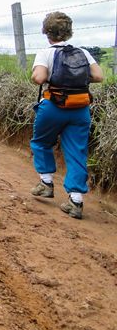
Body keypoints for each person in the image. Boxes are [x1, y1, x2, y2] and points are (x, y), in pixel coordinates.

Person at [30, 11, 103, 219]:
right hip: (80, 108)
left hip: (53, 106)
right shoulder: (83, 52)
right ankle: (76, 201)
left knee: (41, 143)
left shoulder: (45, 52)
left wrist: (37, 75)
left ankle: (46, 183)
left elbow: (40, 77)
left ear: (47, 32)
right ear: (69, 32)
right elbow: (98, 76)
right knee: (77, 152)